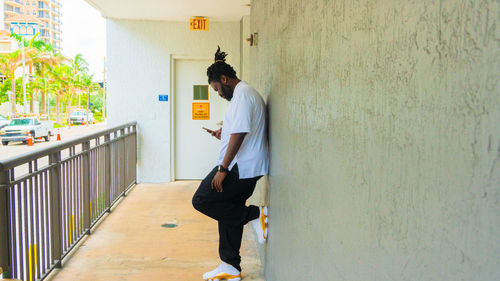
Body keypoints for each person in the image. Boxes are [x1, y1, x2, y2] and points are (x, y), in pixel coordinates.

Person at [192, 46, 269, 281]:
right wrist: (221, 132)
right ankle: (230, 266)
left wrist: (222, 169)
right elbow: (236, 129)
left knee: (202, 200)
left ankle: (256, 214)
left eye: (216, 88)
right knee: (227, 210)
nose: (217, 93)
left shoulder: (244, 94)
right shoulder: (242, 96)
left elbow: (241, 133)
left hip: (241, 167)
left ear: (224, 79)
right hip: (244, 165)